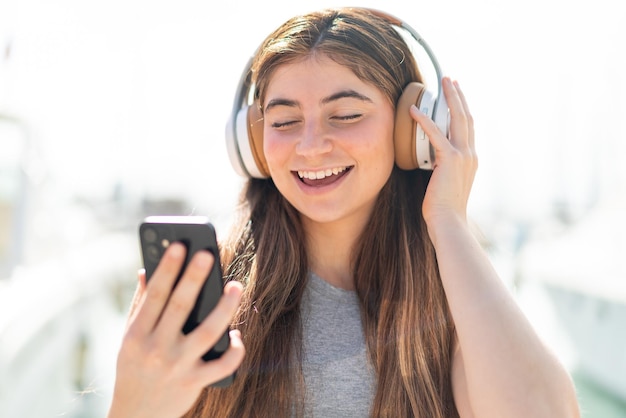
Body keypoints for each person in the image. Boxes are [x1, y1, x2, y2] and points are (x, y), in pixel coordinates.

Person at [106, 7, 580, 418]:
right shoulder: (212, 295)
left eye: (347, 115)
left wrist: (449, 221)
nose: (311, 146)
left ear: (410, 131)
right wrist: (131, 405)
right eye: (285, 121)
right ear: (252, 143)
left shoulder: (451, 298)